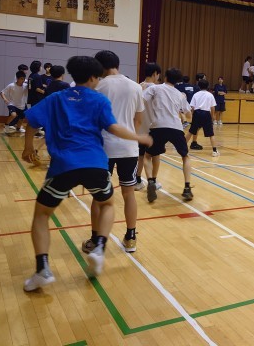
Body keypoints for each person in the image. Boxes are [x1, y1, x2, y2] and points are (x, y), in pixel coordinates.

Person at [20, 56, 153, 291]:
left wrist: (28, 147)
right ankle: (100, 247)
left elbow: (30, 120)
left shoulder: (56, 98)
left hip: (63, 166)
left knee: (41, 215)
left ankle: (42, 269)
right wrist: (138, 137)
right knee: (108, 203)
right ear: (93, 77)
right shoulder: (99, 99)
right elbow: (114, 127)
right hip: (95, 164)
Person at [82, 50, 145, 254]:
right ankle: (131, 237)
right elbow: (138, 120)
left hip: (103, 149)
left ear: (100, 66)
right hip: (129, 148)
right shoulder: (135, 87)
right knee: (129, 193)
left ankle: (95, 239)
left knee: (99, 196)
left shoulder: (97, 87)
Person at [143, 68, 193, 202]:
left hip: (158, 126)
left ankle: (151, 181)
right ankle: (187, 187)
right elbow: (188, 114)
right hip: (176, 127)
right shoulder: (180, 95)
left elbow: (141, 100)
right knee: (185, 156)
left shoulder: (155, 88)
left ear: (165, 77)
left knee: (147, 156)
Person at [136, 62, 161, 190]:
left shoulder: (138, 86)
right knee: (154, 155)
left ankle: (137, 180)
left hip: (139, 127)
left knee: (140, 155)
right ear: (155, 73)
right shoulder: (157, 89)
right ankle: (153, 181)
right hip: (153, 128)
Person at [185, 79, 219, 157]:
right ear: (207, 86)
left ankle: (182, 147)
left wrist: (192, 115)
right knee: (211, 134)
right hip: (206, 114)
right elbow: (213, 107)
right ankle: (214, 151)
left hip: (197, 113)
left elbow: (192, 107)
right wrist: (212, 116)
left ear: (199, 86)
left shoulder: (195, 94)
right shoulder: (210, 95)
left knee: (191, 131)